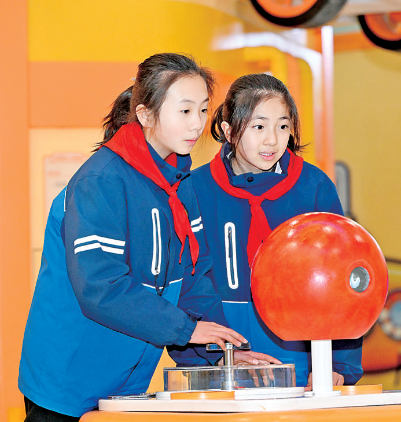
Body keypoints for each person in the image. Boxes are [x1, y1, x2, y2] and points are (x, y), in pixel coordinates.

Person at [19, 53, 254, 421]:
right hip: (67, 382)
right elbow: (101, 286)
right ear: (145, 115)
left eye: (203, 110)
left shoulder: (180, 184)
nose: (197, 124)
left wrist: (222, 352)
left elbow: (192, 279)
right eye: (185, 110)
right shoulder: (101, 181)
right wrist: (186, 329)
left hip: (126, 384)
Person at [169, 73, 363, 388]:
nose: (272, 140)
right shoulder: (193, 190)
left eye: (282, 127)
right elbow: (187, 281)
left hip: (303, 369)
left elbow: (341, 280)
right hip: (220, 369)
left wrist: (338, 365)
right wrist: (218, 356)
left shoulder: (314, 187)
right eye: (259, 127)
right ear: (229, 130)